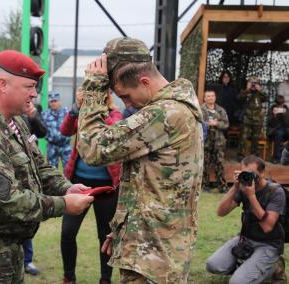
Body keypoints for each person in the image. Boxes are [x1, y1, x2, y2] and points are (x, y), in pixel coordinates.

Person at [0, 50, 94, 283]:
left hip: (6, 250)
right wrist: (63, 204)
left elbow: (40, 168)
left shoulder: (14, 123)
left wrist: (67, 188)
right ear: (3, 84)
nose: (35, 94)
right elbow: (6, 201)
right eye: (29, 87)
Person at [77, 37, 204, 283]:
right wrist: (126, 231)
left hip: (153, 260)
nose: (127, 104)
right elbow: (151, 181)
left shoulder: (165, 113)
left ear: (145, 82)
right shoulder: (176, 108)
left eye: (125, 96)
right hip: (151, 248)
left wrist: (93, 90)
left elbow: (93, 148)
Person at [60, 87, 122, 284]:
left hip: (106, 185)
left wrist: (107, 108)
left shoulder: (114, 113)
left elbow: (117, 133)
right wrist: (76, 107)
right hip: (79, 182)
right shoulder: (82, 113)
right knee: (67, 233)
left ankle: (105, 279)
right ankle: (69, 277)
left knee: (105, 235)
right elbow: (65, 130)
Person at [206, 155, 286, 284]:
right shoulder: (244, 187)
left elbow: (267, 226)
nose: (248, 177)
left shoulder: (275, 192)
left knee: (237, 283)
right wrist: (235, 187)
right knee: (213, 265)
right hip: (246, 239)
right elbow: (221, 212)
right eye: (245, 173)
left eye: (252, 173)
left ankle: (274, 267)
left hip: (268, 244)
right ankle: (247, 268)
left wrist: (251, 196)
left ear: (262, 172)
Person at [20, 101, 47, 276]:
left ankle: (27, 261)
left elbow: (42, 132)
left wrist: (33, 117)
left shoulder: (29, 111)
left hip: (27, 176)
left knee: (27, 218)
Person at [201, 89, 229, 193]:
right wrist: (209, 124)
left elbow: (226, 124)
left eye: (212, 96)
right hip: (206, 142)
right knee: (205, 164)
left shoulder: (221, 110)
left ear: (215, 98)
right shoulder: (200, 109)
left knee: (219, 163)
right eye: (208, 96)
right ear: (204, 98)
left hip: (219, 141)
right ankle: (205, 186)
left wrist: (217, 124)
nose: (210, 98)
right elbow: (198, 122)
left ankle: (222, 186)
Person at [238, 77, 267, 160]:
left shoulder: (260, 93)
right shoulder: (245, 92)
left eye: (255, 83)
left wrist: (260, 90)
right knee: (243, 137)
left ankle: (254, 155)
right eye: (252, 83)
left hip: (257, 119)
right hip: (246, 118)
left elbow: (266, 98)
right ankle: (241, 155)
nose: (253, 85)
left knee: (255, 138)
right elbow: (239, 99)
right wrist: (247, 89)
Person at [42, 92, 71, 168]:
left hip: (65, 146)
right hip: (52, 146)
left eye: (55, 101)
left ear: (59, 101)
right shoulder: (45, 114)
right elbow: (42, 129)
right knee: (52, 170)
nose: (53, 103)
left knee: (68, 169)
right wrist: (48, 137)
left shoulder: (67, 113)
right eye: (51, 101)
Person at [266, 95, 289, 164]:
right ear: (276, 103)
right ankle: (276, 158)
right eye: (278, 104)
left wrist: (285, 115)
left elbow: (287, 123)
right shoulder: (272, 109)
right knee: (279, 134)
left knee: (281, 132)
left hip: (285, 129)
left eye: (281, 104)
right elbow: (270, 123)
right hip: (274, 130)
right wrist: (274, 116)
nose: (280, 106)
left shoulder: (286, 109)